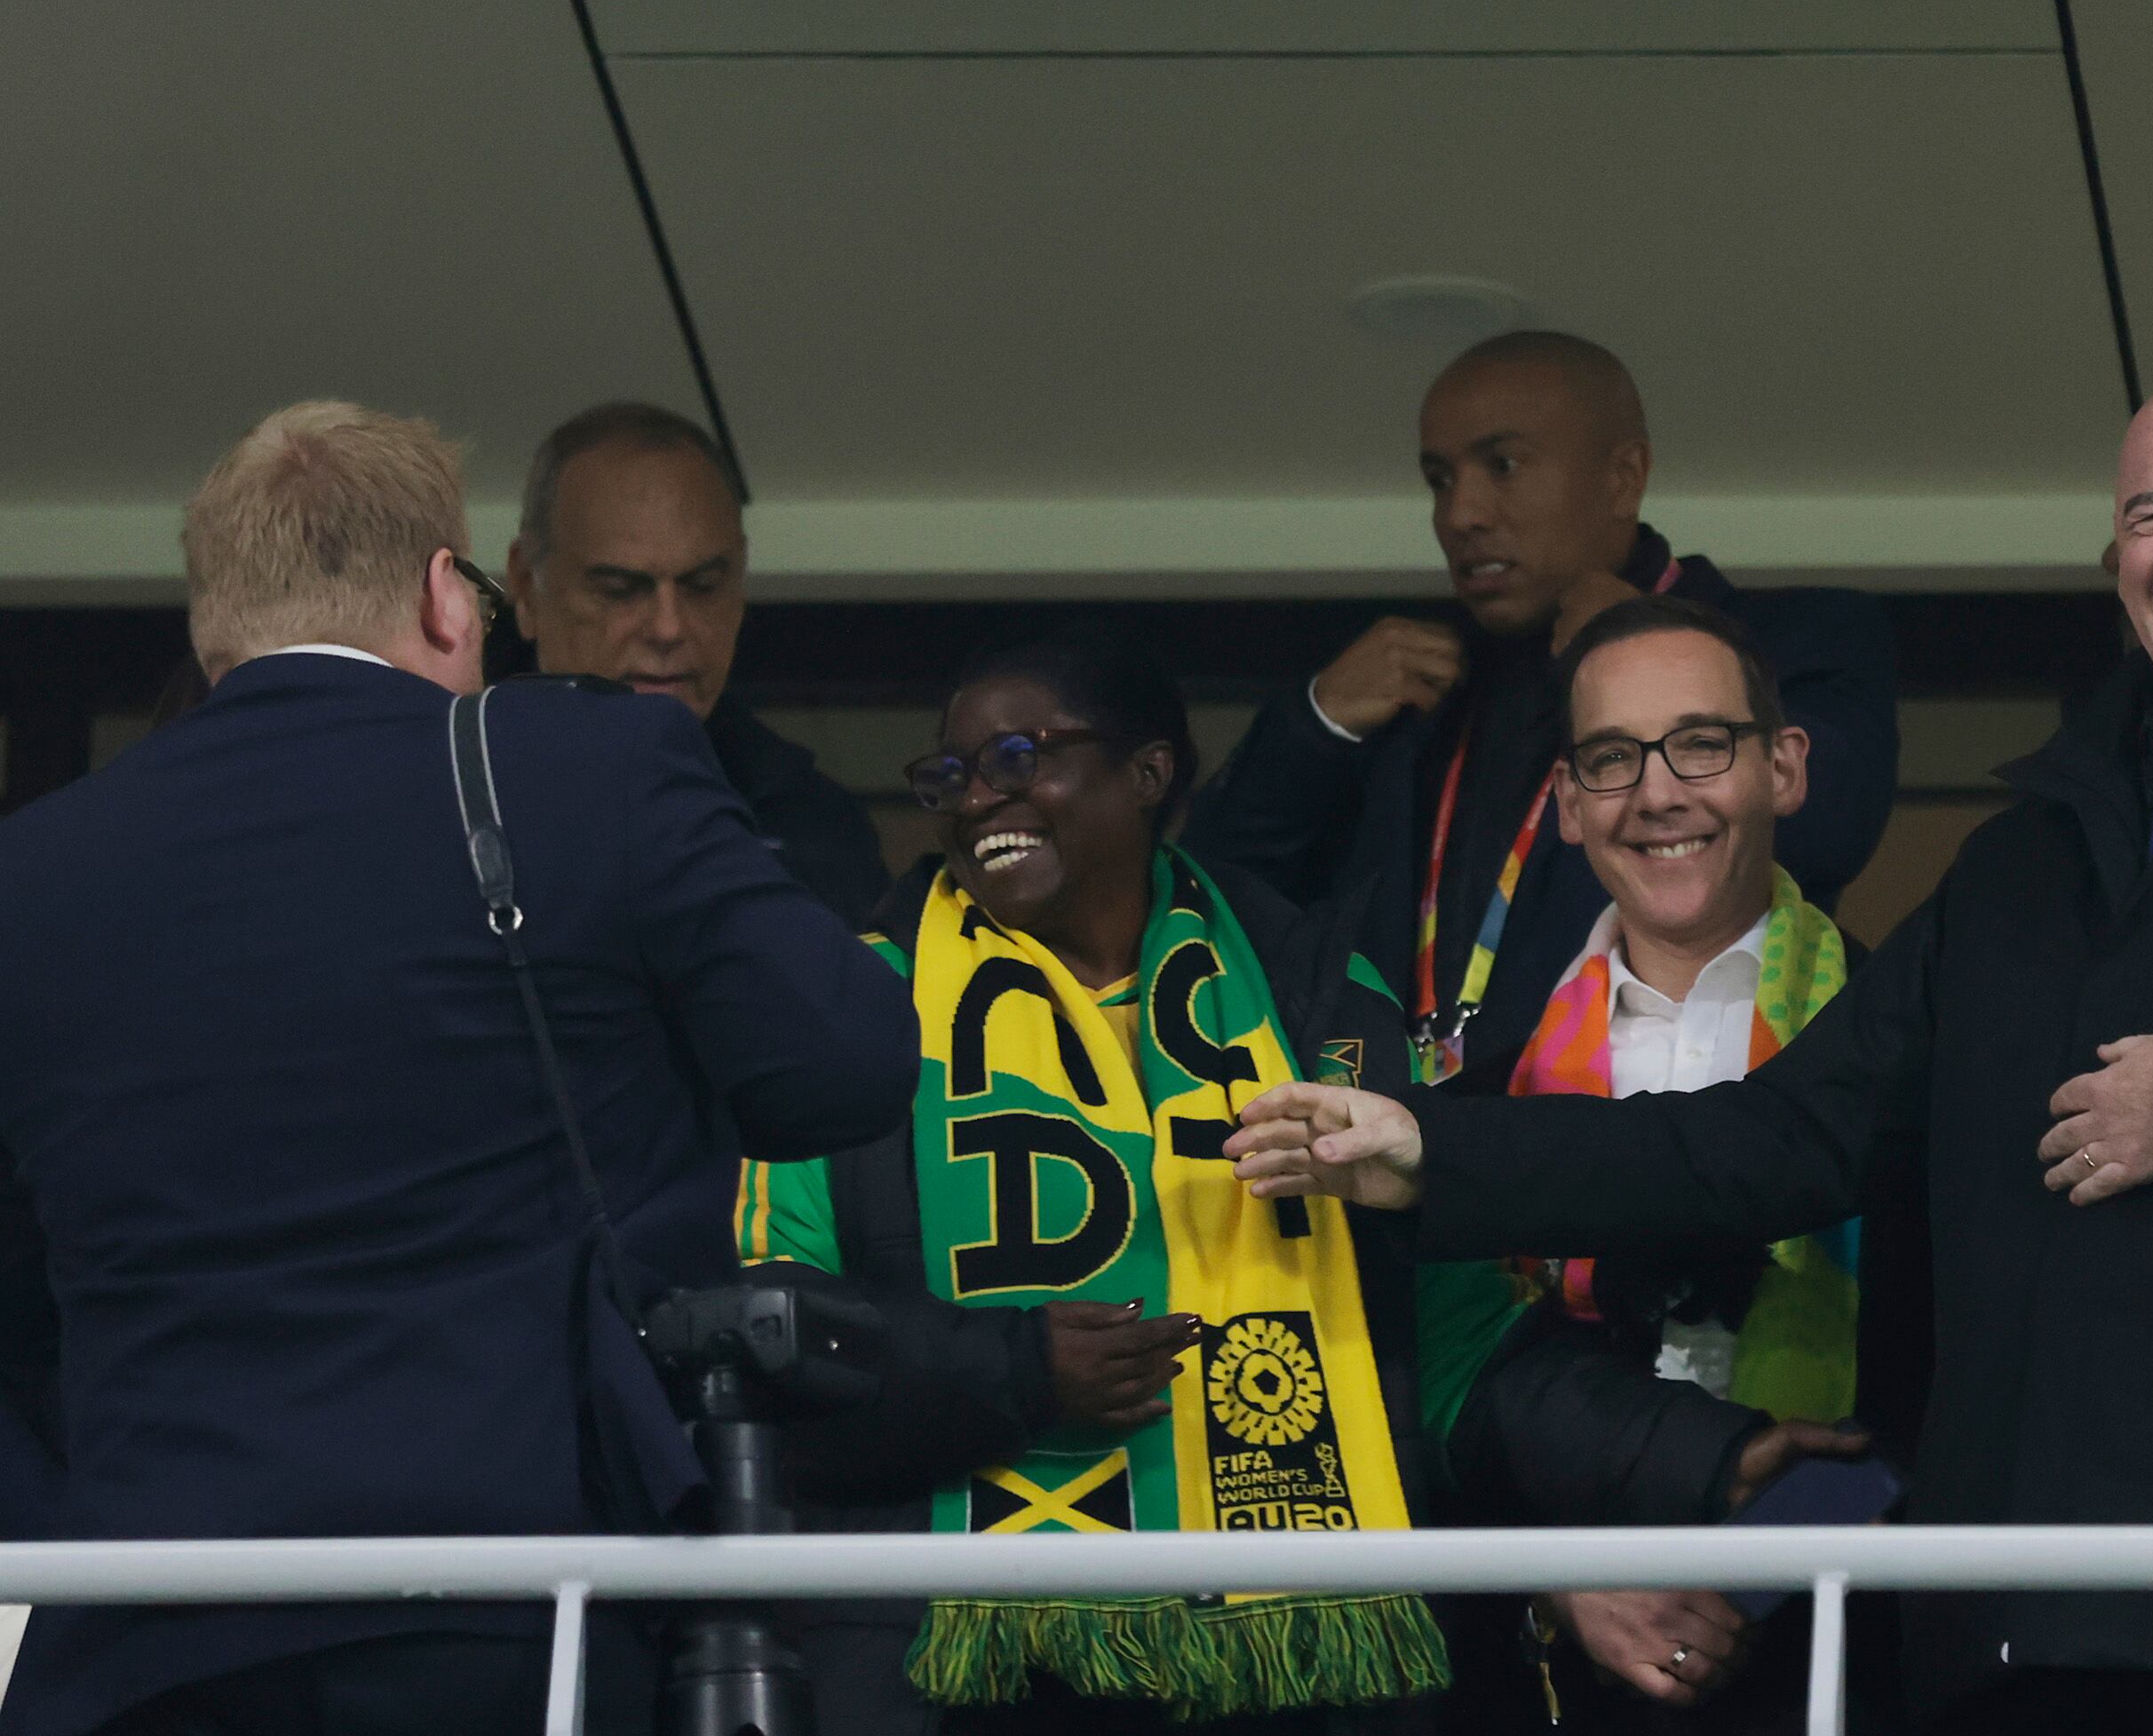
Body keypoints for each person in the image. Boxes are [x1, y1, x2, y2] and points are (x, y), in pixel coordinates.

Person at [1229, 369, 2153, 1736]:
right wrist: (1428, 1146)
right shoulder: (2024, 860)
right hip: (2021, 1645)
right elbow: (1772, 1138)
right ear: (2114, 561)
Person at [732, 628, 1848, 1734]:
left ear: (1150, 772)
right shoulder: (850, 1014)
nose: (977, 800)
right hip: (957, 1683)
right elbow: (774, 1350)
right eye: (950, 776)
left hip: (1294, 1687)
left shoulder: (1317, 1001)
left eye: (1017, 759)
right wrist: (1018, 1370)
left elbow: (1451, 1345)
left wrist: (1704, 1456)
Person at [0, 402, 920, 1736]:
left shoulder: (35, 866)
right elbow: (843, 1065)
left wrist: (54, 1533)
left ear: (216, 619)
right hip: (510, 1600)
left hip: (146, 1622)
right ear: (450, 595)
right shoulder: (589, 764)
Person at [1183, 332, 1897, 1093]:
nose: (1461, 512)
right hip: (1404, 1153)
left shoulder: (1806, 639)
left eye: (1503, 465)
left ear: (1624, 478)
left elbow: (1827, 829)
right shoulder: (1407, 684)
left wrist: (1643, 652)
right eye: (1439, 478)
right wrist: (1315, 721)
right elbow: (1210, 900)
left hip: (1670, 1129)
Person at [1491, 595, 1871, 1732]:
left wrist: (1751, 1574)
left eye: (1701, 744)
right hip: (1557, 1669)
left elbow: (1970, 1372)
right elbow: (1439, 1387)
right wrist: (1565, 1576)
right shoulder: (1481, 1085)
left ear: (1785, 768)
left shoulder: (1904, 1041)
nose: (1659, 794)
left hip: (1845, 1649)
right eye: (1611, 760)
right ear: (1566, 804)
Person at [506, 400, 892, 926]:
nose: (669, 628)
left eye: (703, 587)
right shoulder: (441, 798)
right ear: (526, 588)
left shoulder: (814, 822)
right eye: (620, 591)